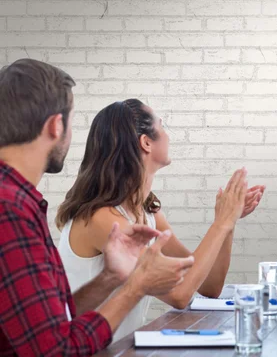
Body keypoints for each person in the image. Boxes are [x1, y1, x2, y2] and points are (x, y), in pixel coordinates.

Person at [0, 59, 195, 356]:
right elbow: (57, 350)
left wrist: (111, 278)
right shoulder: (10, 210)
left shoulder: (19, 202)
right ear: (56, 125)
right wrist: (134, 288)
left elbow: (54, 321)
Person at [55, 99, 265, 342]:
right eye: (162, 127)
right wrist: (221, 223)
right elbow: (179, 295)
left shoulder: (148, 213)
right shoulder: (103, 219)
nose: (168, 135)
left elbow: (209, 285)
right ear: (146, 142)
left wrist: (229, 222)